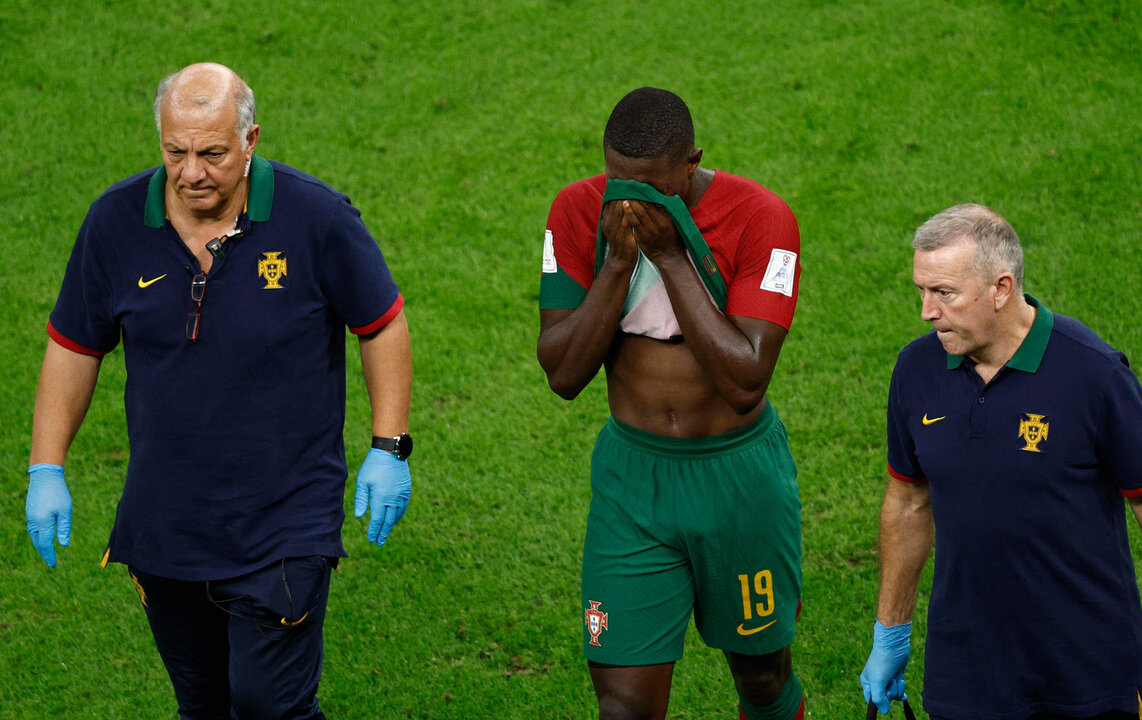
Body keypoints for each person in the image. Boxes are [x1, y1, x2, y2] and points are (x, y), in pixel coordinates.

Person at [25, 62, 414, 719]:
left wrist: (389, 447)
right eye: (175, 152)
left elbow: (381, 323)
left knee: (269, 706)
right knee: (203, 705)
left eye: (211, 153)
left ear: (250, 140)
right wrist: (46, 466)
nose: (192, 172)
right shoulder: (114, 224)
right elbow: (74, 344)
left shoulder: (314, 217)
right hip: (164, 527)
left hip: (284, 522)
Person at [537, 87, 805, 720]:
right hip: (635, 483)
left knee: (763, 678)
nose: (631, 202)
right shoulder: (577, 211)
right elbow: (564, 374)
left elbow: (745, 382)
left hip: (737, 478)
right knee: (624, 706)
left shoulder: (763, 217)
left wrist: (666, 252)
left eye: (652, 189)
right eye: (618, 182)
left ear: (692, 165)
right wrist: (617, 262)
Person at [861, 203, 1142, 720]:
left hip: (1088, 665)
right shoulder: (916, 371)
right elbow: (908, 500)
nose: (927, 311)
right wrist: (891, 632)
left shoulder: (1094, 376)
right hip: (966, 668)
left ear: (1001, 287)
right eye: (921, 291)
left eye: (944, 293)